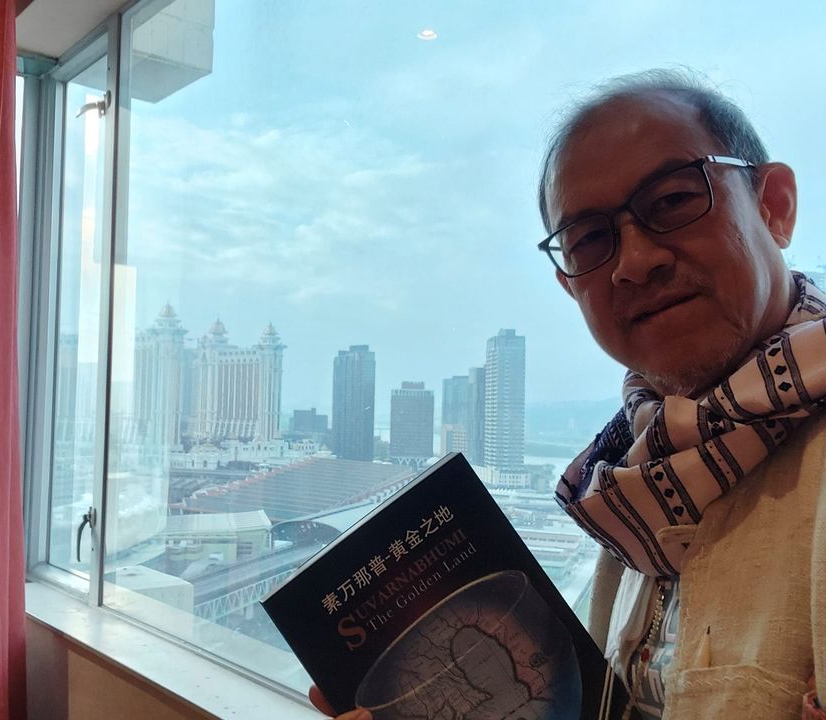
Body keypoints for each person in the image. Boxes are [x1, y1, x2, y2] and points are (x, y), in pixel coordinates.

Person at [311, 69, 826, 719]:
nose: (633, 261)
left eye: (672, 200)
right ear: (570, 284)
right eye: (590, 240)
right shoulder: (636, 474)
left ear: (774, 205)